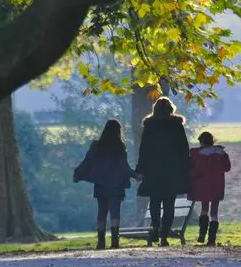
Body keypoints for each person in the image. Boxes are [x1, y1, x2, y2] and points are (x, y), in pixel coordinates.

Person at [73, 120, 137, 249]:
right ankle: (114, 241)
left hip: (101, 184)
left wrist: (78, 173)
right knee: (115, 213)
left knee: (101, 213)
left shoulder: (97, 147)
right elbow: (124, 168)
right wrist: (135, 175)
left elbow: (87, 162)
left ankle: (101, 241)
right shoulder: (120, 148)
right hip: (116, 185)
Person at [135, 97, 190, 247]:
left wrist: (140, 170)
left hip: (154, 169)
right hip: (172, 170)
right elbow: (183, 149)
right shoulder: (177, 125)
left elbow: (144, 150)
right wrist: (186, 169)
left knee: (154, 201)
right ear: (171, 109)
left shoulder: (150, 125)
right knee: (169, 203)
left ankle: (155, 228)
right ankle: (164, 234)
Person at [188, 131, 231, 246]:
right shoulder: (221, 153)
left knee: (204, 208)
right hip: (217, 184)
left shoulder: (195, 153)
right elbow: (227, 168)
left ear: (201, 142)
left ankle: (202, 233)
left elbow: (190, 168)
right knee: (214, 212)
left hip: (202, 184)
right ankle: (212, 238)